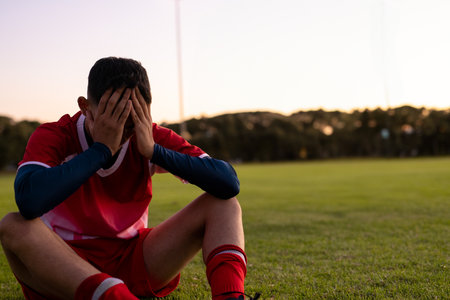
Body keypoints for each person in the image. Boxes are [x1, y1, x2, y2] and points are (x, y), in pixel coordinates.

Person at [0, 57, 259, 300]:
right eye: (114, 115)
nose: (124, 129)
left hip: (132, 261)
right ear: (85, 107)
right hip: (66, 269)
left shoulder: (149, 136)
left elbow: (228, 182)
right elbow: (29, 200)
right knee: (13, 224)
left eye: (133, 118)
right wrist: (101, 150)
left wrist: (155, 151)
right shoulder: (56, 135)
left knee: (223, 203)